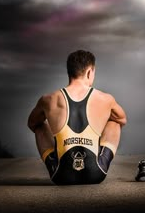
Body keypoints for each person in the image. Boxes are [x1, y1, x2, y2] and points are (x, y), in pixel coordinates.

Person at [27, 50, 127, 185]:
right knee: (114, 123)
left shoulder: (49, 99)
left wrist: (57, 129)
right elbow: (122, 120)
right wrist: (97, 127)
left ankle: (53, 162)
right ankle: (98, 157)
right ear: (89, 72)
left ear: (69, 72)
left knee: (40, 126)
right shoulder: (105, 99)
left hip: (60, 175)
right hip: (96, 173)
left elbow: (32, 123)